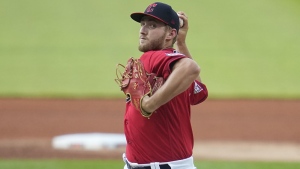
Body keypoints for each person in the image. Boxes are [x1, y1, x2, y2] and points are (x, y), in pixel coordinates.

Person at [122, 2, 208, 169]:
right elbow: (198, 93)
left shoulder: (154, 57)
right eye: (143, 24)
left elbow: (191, 68)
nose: (143, 30)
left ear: (170, 34)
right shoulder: (171, 63)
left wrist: (149, 104)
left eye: (152, 25)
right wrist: (181, 44)